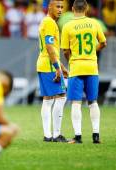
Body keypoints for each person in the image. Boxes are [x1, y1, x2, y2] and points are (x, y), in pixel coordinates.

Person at [61, 0, 107, 144]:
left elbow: (65, 50)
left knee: (76, 102)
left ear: (73, 9)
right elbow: (103, 42)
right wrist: (93, 51)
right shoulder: (94, 23)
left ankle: (78, 136)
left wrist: (72, 59)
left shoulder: (68, 26)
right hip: (92, 67)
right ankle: (96, 135)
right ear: (86, 8)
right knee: (93, 102)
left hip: (76, 67)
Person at [37, 0, 68, 142]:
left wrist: (62, 67)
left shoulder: (47, 22)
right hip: (49, 66)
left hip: (45, 64)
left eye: (62, 7)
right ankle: (55, 134)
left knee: (48, 99)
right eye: (57, 6)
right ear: (49, 6)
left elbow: (52, 49)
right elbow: (50, 47)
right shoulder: (49, 23)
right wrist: (57, 68)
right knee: (61, 95)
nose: (60, 9)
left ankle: (48, 135)